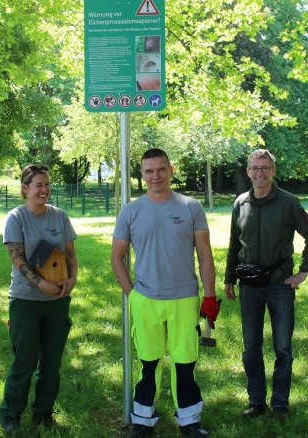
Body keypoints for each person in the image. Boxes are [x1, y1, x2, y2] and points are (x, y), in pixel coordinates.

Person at [111, 148, 218, 438]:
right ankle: (143, 421)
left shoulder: (190, 207)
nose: (155, 176)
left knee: (185, 362)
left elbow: (205, 255)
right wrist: (131, 294)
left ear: (171, 170)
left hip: (184, 298)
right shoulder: (131, 211)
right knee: (149, 362)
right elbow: (116, 257)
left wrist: (210, 296)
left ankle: (190, 421)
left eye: (160, 169)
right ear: (142, 174)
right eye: (149, 171)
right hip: (145, 299)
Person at [223, 149, 308, 419]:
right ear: (248, 171)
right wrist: (229, 278)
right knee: (251, 346)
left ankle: (280, 403)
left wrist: (303, 271)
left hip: (280, 285)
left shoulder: (288, 202)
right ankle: (256, 402)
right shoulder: (240, 203)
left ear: (274, 171)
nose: (260, 173)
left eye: (265, 168)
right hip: (249, 287)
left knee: (282, 347)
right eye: (255, 168)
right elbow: (234, 244)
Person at [0, 164, 78, 436]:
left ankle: (44, 413)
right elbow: (17, 259)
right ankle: (11, 415)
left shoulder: (60, 217)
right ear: (25, 189)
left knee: (52, 362)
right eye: (38, 185)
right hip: (26, 302)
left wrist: (72, 279)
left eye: (47, 185)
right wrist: (41, 284)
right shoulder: (16, 218)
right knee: (24, 361)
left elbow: (70, 253)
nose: (44, 190)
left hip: (57, 301)